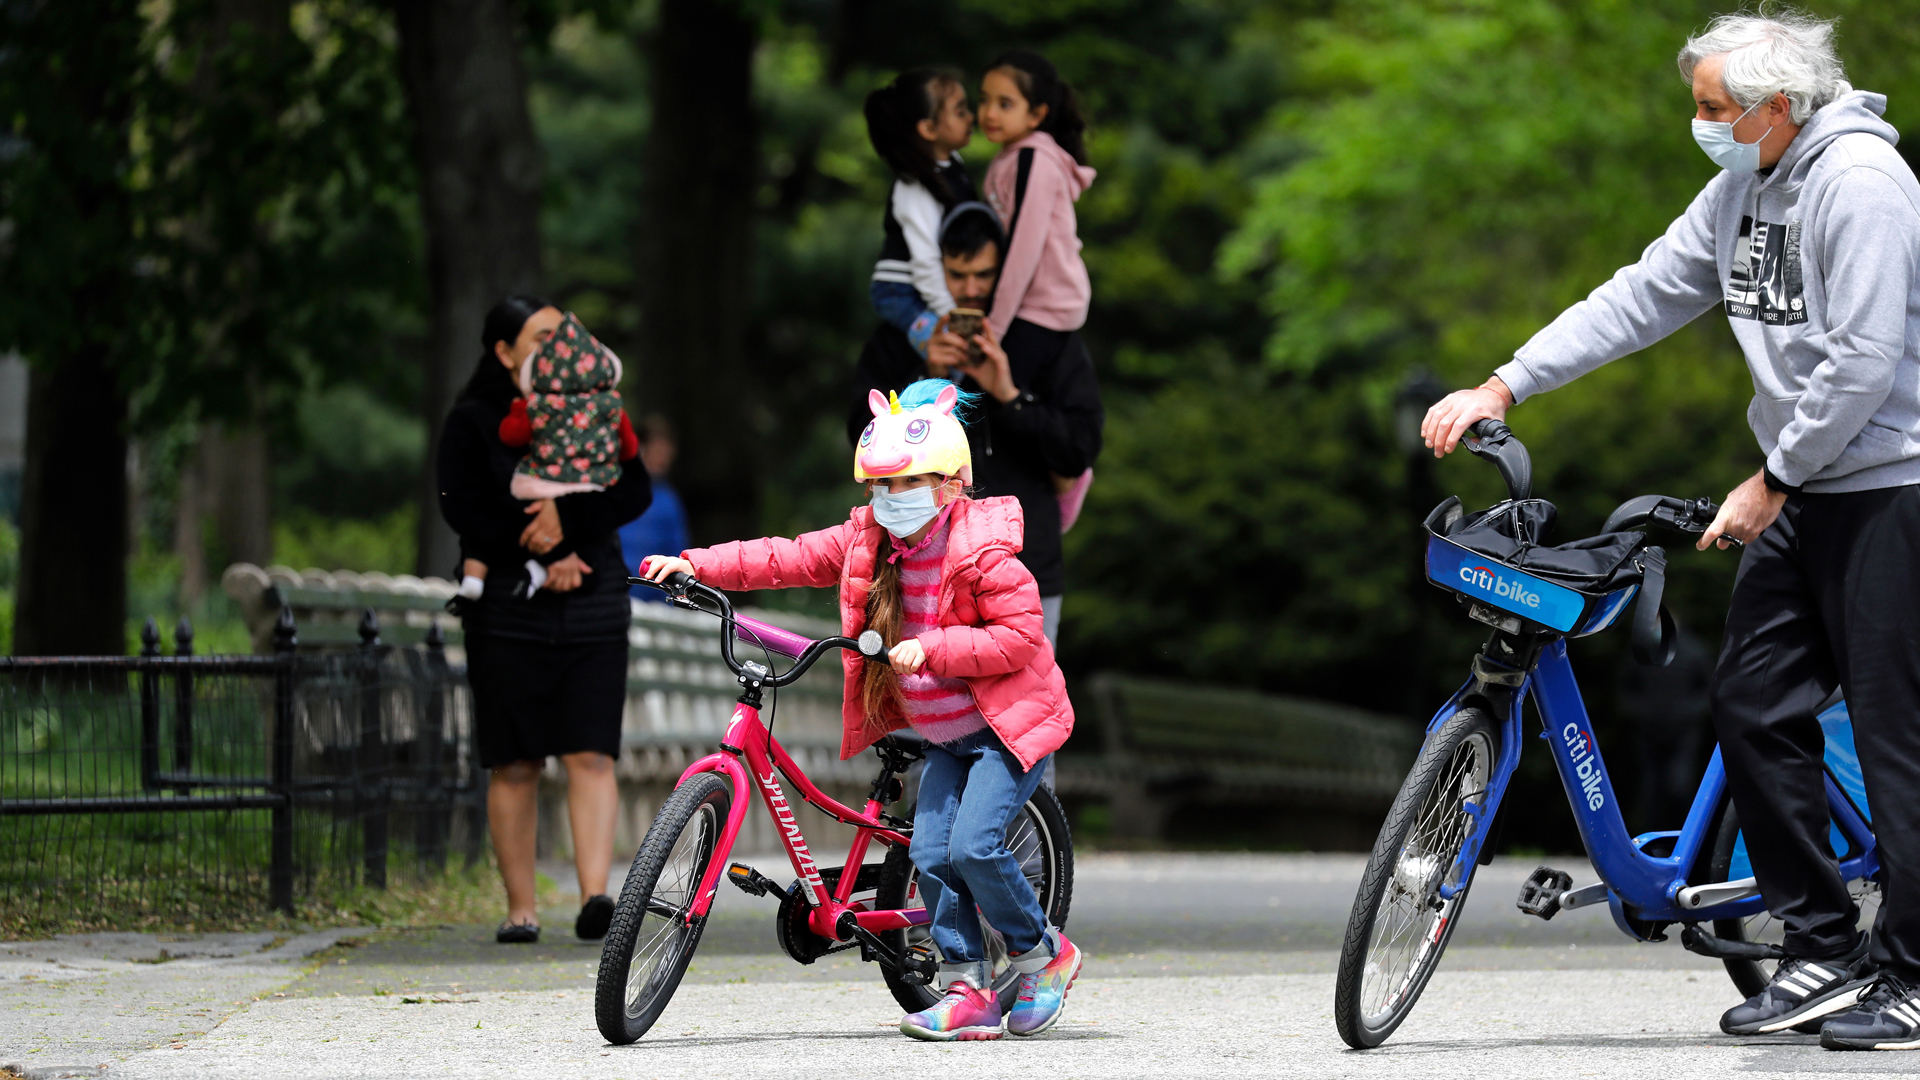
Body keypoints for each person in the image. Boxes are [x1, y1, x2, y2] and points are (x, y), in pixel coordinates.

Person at [1420, 12, 1920, 1050]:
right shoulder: (1748, 181)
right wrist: (1506, 381)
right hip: (1810, 489)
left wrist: (1774, 477)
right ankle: (1822, 948)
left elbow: (1866, 358)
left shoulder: (1862, 185)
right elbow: (1645, 292)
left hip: (1890, 489)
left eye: (1712, 108)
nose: (1697, 122)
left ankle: (1911, 973)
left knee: (1891, 732)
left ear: (1777, 107)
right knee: (1749, 705)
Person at [642, 379, 1082, 1041]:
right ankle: (967, 990)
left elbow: (1019, 639)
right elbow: (784, 556)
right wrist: (692, 565)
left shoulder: (987, 551)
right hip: (945, 739)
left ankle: (1042, 953)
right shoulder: (867, 539)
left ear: (950, 483)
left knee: (974, 847)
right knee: (930, 856)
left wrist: (932, 647)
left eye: (907, 485)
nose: (890, 499)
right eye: (881, 486)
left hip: (1005, 730)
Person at [437, 294, 652, 945]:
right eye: (539, 337)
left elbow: (632, 489)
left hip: (592, 600)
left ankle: (594, 897)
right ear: (505, 353)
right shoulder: (473, 421)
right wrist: (546, 544)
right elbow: (462, 506)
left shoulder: (595, 406)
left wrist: (572, 531)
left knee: (591, 751)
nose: (558, 347)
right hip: (508, 607)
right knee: (517, 759)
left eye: (564, 334)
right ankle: (521, 908)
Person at [848, 203, 1104, 646]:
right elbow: (862, 439)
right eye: (957, 274)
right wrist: (925, 377)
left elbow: (1080, 448)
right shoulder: (898, 340)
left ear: (1006, 269)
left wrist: (1009, 395)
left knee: (1021, 712)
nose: (970, 289)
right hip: (919, 571)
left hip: (1024, 567)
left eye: (984, 275)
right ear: (933, 269)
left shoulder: (1045, 337)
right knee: (926, 709)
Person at [456, 311, 639, 601]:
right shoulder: (612, 405)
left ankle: (475, 577)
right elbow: (629, 450)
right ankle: (537, 570)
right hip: (592, 484)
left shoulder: (537, 404)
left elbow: (511, 435)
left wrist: (520, 410)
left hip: (540, 484)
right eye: (543, 339)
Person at [977, 50, 1095, 345]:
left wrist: (997, 326)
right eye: (983, 100)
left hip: (1042, 310)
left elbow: (1023, 248)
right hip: (1022, 307)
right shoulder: (1009, 156)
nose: (989, 113)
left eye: (1005, 104)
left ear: (1036, 114)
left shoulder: (1034, 161)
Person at [865, 67, 979, 357]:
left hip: (926, 285)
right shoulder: (915, 187)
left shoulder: (952, 164)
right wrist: (954, 314)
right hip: (901, 292)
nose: (972, 117)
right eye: (960, 111)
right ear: (928, 128)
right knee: (952, 351)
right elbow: (926, 262)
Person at [618, 416, 691, 603]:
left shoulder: (670, 502)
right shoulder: (618, 490)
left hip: (653, 604)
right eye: (657, 450)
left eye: (667, 452)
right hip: (614, 594)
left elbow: (678, 554)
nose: (662, 459)